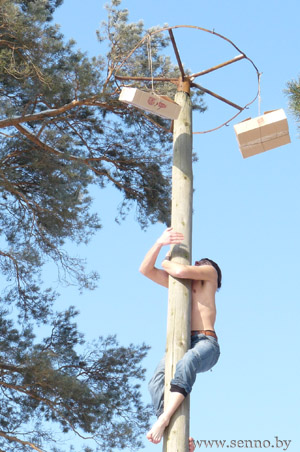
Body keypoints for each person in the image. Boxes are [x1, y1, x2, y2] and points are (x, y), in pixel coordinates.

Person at [139, 227, 222, 445]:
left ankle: (164, 418)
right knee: (155, 382)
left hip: (206, 343)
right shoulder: (181, 286)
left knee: (188, 361)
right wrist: (159, 243)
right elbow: (145, 270)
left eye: (200, 262)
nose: (196, 264)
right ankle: (174, 429)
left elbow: (181, 271)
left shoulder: (210, 273)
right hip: (183, 343)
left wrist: (167, 259)